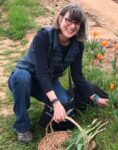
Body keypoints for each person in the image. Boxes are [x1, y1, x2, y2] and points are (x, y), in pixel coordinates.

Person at [8, 3, 109, 143]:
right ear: (60, 18)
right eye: (69, 20)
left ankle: (47, 109)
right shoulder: (44, 36)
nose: (72, 26)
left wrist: (95, 98)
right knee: (21, 78)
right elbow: (41, 72)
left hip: (48, 81)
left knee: (64, 102)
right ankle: (22, 126)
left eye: (77, 23)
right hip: (26, 76)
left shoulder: (78, 45)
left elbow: (78, 76)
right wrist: (55, 103)